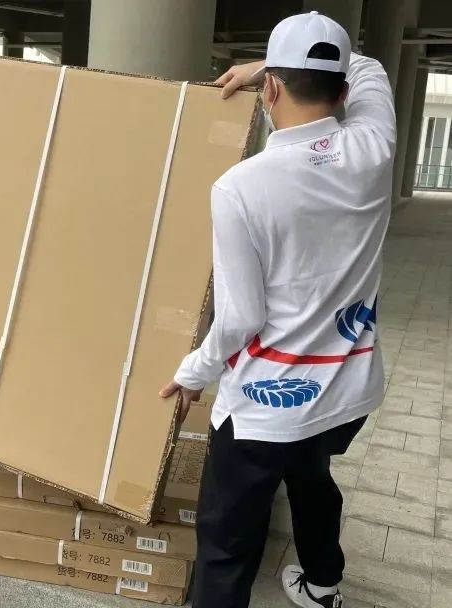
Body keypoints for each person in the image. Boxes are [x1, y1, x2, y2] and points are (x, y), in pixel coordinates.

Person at [159, 12, 395, 608]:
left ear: (269, 90)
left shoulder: (241, 187)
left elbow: (240, 318)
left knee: (227, 542)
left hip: (264, 408)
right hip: (344, 392)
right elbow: (369, 65)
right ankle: (322, 586)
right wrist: (271, 63)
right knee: (312, 478)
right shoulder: (374, 149)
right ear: (342, 92)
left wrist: (193, 371)